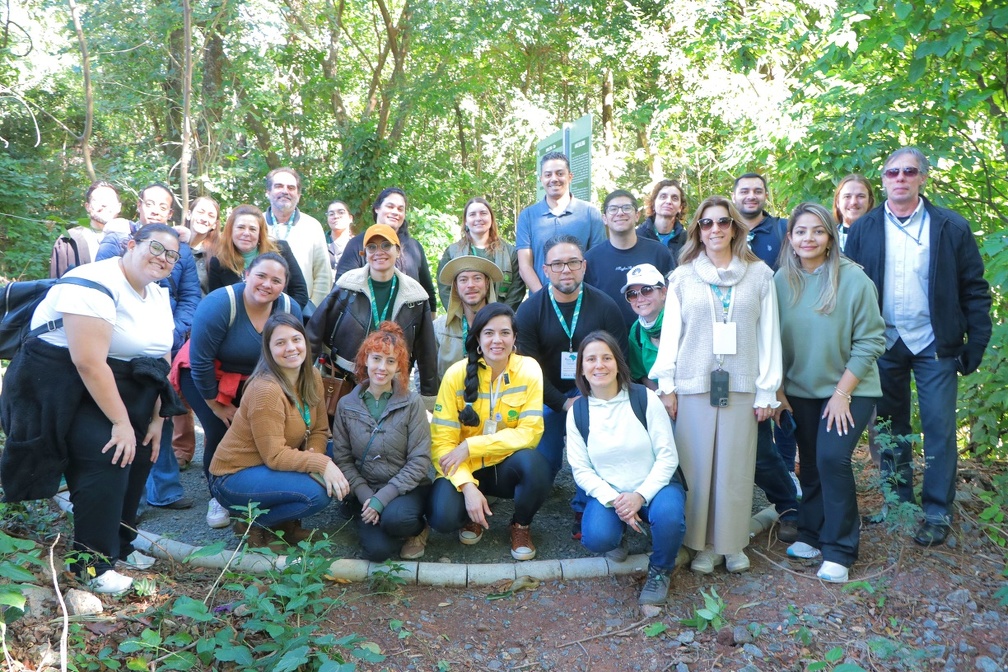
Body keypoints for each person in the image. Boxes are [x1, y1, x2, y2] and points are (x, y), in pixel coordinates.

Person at [1, 225, 183, 593]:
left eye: (172, 256)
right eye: (156, 248)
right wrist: (120, 423)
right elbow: (89, 363)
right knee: (108, 457)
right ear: (131, 245)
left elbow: (160, 357)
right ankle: (92, 567)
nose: (163, 259)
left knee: (140, 459)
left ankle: (121, 546)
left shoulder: (158, 294)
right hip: (67, 387)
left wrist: (155, 419)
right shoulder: (90, 281)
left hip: (134, 389)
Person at [845, 147, 992, 547]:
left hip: (935, 344)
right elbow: (848, 291)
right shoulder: (865, 228)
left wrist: (976, 340)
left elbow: (975, 289)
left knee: (940, 428)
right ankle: (897, 501)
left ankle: (937, 511)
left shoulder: (950, 227)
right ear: (884, 179)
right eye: (892, 172)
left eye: (909, 171)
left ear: (922, 177)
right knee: (891, 429)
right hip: (884, 342)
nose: (900, 178)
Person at [650, 195, 782, 574]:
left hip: (741, 384)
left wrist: (767, 390)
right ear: (697, 231)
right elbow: (672, 334)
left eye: (723, 222)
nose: (715, 230)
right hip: (694, 384)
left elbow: (769, 335)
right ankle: (702, 545)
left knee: (735, 467)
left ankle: (732, 543)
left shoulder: (760, 275)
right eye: (706, 223)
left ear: (735, 227)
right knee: (697, 468)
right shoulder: (682, 277)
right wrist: (667, 384)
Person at [773, 203, 885, 583]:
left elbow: (872, 341)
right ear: (790, 237)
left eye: (818, 231)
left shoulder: (854, 280)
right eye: (801, 231)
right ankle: (811, 532)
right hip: (801, 390)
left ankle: (840, 548)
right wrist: (778, 388)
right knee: (809, 459)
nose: (809, 238)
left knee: (832, 458)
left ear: (830, 237)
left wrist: (842, 393)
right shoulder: (779, 282)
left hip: (850, 388)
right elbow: (769, 341)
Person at [96, 183, 202, 513]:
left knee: (162, 414)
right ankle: (131, 501)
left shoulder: (182, 252)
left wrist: (174, 329)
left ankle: (165, 490)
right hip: (119, 348)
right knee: (122, 418)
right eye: (150, 203)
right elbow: (100, 288)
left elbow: (190, 297)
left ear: (171, 213)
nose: (156, 209)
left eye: (163, 206)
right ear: (139, 206)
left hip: (162, 344)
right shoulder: (117, 241)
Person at [177, 252, 302, 529]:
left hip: (255, 377)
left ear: (284, 285)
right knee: (221, 430)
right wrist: (215, 404)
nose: (267, 284)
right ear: (247, 274)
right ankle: (218, 497)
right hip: (206, 374)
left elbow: (293, 355)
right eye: (261, 276)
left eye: (276, 280)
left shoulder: (289, 308)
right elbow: (200, 361)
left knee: (262, 430)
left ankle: (255, 491)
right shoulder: (220, 303)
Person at [515, 235, 627, 537]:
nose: (566, 270)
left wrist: (588, 399)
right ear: (545, 270)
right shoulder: (529, 311)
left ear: (584, 266)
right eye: (558, 264)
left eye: (573, 262)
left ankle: (584, 506)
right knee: (544, 460)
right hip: (545, 394)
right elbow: (528, 370)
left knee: (594, 451)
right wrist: (563, 403)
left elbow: (619, 359)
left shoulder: (605, 306)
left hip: (595, 394)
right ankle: (528, 508)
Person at [566, 330, 687, 605]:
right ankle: (620, 531)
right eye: (591, 359)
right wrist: (616, 501)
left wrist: (639, 496)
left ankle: (660, 570)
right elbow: (581, 469)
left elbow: (668, 456)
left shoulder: (644, 398)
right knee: (596, 538)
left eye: (606, 358)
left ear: (618, 363)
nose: (599, 365)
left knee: (668, 517)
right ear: (582, 369)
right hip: (612, 493)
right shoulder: (578, 411)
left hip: (656, 486)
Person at [209, 313, 343, 548]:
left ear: (305, 341)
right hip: (236, 475)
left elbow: (320, 429)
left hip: (270, 465)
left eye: (296, 339)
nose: (291, 348)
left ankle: (283, 527)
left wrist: (316, 454)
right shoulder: (266, 390)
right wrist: (320, 464)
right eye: (280, 343)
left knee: (338, 456)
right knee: (316, 494)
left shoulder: (311, 375)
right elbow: (274, 456)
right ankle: (253, 524)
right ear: (268, 350)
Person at [427, 303, 549, 560]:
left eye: (505, 333)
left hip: (503, 466)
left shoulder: (528, 370)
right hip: (463, 467)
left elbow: (530, 432)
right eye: (489, 333)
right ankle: (470, 515)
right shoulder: (456, 375)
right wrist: (467, 486)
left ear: (515, 338)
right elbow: (442, 443)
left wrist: (472, 446)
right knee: (442, 518)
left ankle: (521, 525)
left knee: (536, 466)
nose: (497, 340)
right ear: (478, 340)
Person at [732, 171, 801, 538]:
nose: (752, 195)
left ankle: (789, 502)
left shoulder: (779, 235)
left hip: (762, 351)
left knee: (761, 446)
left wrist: (770, 384)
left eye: (758, 190)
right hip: (714, 366)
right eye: (745, 190)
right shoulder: (700, 264)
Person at [330, 322, 433, 561]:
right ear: (366, 360)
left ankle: (418, 529)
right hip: (367, 488)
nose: (382, 368)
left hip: (406, 488)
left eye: (390, 361)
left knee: (396, 520)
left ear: (399, 367)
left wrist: (382, 499)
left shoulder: (411, 403)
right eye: (376, 358)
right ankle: (369, 515)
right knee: (377, 553)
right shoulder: (347, 404)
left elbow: (419, 461)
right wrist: (368, 498)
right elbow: (343, 459)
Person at [308, 224, 439, 398]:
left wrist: (429, 397)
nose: (379, 252)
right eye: (372, 247)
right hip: (345, 381)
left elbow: (427, 352)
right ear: (365, 253)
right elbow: (314, 331)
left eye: (386, 245)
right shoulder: (347, 286)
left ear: (398, 250)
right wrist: (304, 375)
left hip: (392, 385)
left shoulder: (416, 296)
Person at [334, 187, 437, 312]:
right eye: (390, 206)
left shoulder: (414, 248)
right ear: (377, 208)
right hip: (364, 321)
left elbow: (428, 293)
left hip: (407, 322)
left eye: (400, 209)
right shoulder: (357, 244)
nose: (395, 212)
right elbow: (341, 289)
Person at [515, 152, 606, 293]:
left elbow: (597, 263)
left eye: (559, 173)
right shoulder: (527, 216)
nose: (554, 179)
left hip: (583, 301)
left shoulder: (590, 213)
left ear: (570, 177)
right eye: (548, 174)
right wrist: (544, 299)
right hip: (541, 302)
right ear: (541, 179)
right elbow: (525, 266)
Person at [584, 189, 673, 328]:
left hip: (653, 338)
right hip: (607, 341)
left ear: (637, 215)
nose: (620, 213)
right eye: (613, 209)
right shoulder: (591, 259)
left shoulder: (659, 252)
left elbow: (674, 297)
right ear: (604, 218)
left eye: (626, 208)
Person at [207, 204, 310, 309]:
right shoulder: (219, 261)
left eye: (252, 229)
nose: (246, 233)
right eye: (241, 227)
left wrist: (280, 320)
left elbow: (300, 293)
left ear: (260, 233)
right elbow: (217, 302)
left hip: (279, 319)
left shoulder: (281, 250)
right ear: (231, 230)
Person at [436, 197, 525, 311]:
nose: (478, 218)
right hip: (464, 322)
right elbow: (445, 287)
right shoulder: (452, 252)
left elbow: (516, 288)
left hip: (500, 319)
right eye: (472, 214)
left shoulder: (509, 252)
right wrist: (463, 316)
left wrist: (501, 316)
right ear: (466, 221)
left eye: (483, 213)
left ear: (491, 219)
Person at [262, 167, 331, 307]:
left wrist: (311, 310)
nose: (285, 191)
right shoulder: (256, 225)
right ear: (268, 192)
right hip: (259, 308)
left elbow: (323, 275)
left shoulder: (312, 226)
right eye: (279, 186)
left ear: (298, 195)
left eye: (291, 188)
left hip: (302, 312)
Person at [433, 254, 501, 378]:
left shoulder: (504, 327)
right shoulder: (439, 328)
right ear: (456, 287)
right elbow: (425, 373)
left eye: (477, 278)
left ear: (487, 283)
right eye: (463, 280)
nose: (470, 285)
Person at [622, 264, 674, 412]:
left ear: (663, 292)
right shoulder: (636, 330)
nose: (640, 298)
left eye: (646, 290)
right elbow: (642, 374)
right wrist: (661, 397)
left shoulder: (681, 320)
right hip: (661, 402)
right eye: (632, 294)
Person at [50, 181, 123, 278]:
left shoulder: (133, 240)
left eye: (109, 200)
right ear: (88, 207)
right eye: (98, 200)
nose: (104, 204)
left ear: (119, 207)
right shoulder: (68, 241)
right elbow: (56, 285)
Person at [637, 179, 688, 266]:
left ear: (680, 207)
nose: (668, 201)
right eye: (663, 196)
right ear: (653, 204)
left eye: (674, 198)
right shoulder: (638, 237)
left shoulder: (687, 240)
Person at [833, 174, 875, 250]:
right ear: (837, 202)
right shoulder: (828, 239)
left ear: (870, 201)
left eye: (861, 196)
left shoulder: (883, 236)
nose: (853, 202)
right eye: (847, 196)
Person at [325, 200, 354, 270]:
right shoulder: (319, 242)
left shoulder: (358, 245)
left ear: (350, 218)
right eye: (331, 214)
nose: (336, 216)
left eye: (341, 212)